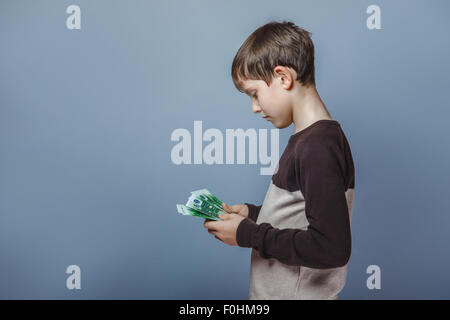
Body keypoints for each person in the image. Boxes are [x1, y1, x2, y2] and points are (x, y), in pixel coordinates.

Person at [203, 20, 355, 300]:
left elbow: (331, 246)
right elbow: (301, 218)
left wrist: (248, 235)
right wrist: (252, 215)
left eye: (254, 94)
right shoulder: (310, 140)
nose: (254, 107)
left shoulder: (318, 147)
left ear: (283, 77)